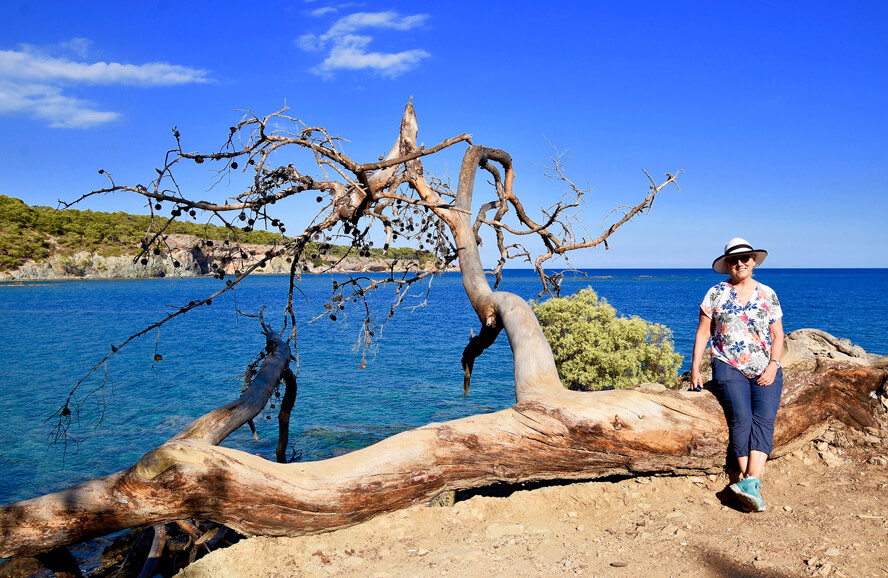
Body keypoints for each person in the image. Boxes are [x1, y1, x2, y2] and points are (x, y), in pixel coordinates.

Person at [691, 238, 784, 512]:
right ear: (728, 265)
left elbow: (778, 335)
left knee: (764, 419)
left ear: (753, 261)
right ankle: (749, 482)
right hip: (727, 364)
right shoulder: (715, 293)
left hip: (765, 367)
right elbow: (703, 333)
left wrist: (774, 365)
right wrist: (695, 368)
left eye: (745, 258)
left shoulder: (768, 294)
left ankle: (749, 482)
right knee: (741, 417)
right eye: (734, 260)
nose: (740, 263)